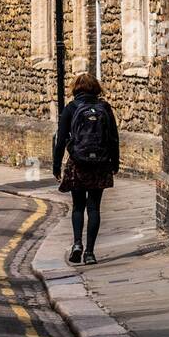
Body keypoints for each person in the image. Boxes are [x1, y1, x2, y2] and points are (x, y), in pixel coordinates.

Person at [52, 74, 119, 265]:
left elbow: (61, 139)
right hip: (100, 164)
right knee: (94, 207)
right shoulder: (104, 108)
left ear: (76, 89)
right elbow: (113, 138)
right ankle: (90, 253)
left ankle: (77, 244)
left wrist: (56, 166)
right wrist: (115, 163)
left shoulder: (71, 109)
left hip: (78, 163)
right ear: (96, 88)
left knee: (78, 206)